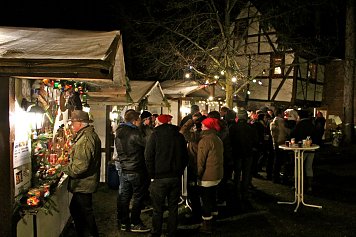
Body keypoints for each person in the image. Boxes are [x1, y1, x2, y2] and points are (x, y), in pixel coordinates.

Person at [145, 114, 188, 237]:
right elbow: (185, 157)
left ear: (159, 123)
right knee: (173, 206)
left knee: (157, 208)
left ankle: (156, 232)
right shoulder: (179, 136)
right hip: (175, 177)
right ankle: (172, 231)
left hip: (159, 177)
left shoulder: (154, 136)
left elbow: (148, 157)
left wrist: (151, 175)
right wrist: (179, 171)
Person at [63, 110, 101, 237]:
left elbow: (80, 168)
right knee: (76, 209)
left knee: (85, 211)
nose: (72, 125)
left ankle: (91, 234)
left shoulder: (85, 139)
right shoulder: (89, 135)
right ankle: (82, 231)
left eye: (73, 122)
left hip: (84, 183)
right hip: (86, 182)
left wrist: (63, 168)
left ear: (79, 123)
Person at [115, 110, 151, 233]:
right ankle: (135, 222)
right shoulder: (135, 133)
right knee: (138, 197)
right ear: (135, 120)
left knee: (125, 196)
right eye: (139, 120)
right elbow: (148, 144)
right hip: (136, 169)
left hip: (124, 169)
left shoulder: (119, 132)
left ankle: (124, 222)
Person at [197, 117, 224, 234]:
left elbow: (201, 161)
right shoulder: (217, 138)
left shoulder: (205, 140)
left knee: (206, 200)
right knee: (213, 199)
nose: (201, 126)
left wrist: (198, 175)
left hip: (207, 176)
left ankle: (207, 225)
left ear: (208, 127)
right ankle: (214, 220)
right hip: (217, 174)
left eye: (203, 125)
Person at [229, 109, 258, 203]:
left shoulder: (233, 127)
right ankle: (244, 193)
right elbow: (255, 140)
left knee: (237, 174)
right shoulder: (251, 127)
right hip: (248, 153)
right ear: (246, 117)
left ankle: (236, 193)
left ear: (238, 117)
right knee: (246, 174)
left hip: (236, 153)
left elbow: (230, 141)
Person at [290, 109, 318, 192]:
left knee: (298, 167)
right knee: (309, 167)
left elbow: (292, 133)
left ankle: (296, 185)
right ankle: (309, 186)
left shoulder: (300, 124)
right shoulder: (312, 124)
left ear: (300, 116)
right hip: (311, 148)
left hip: (301, 148)